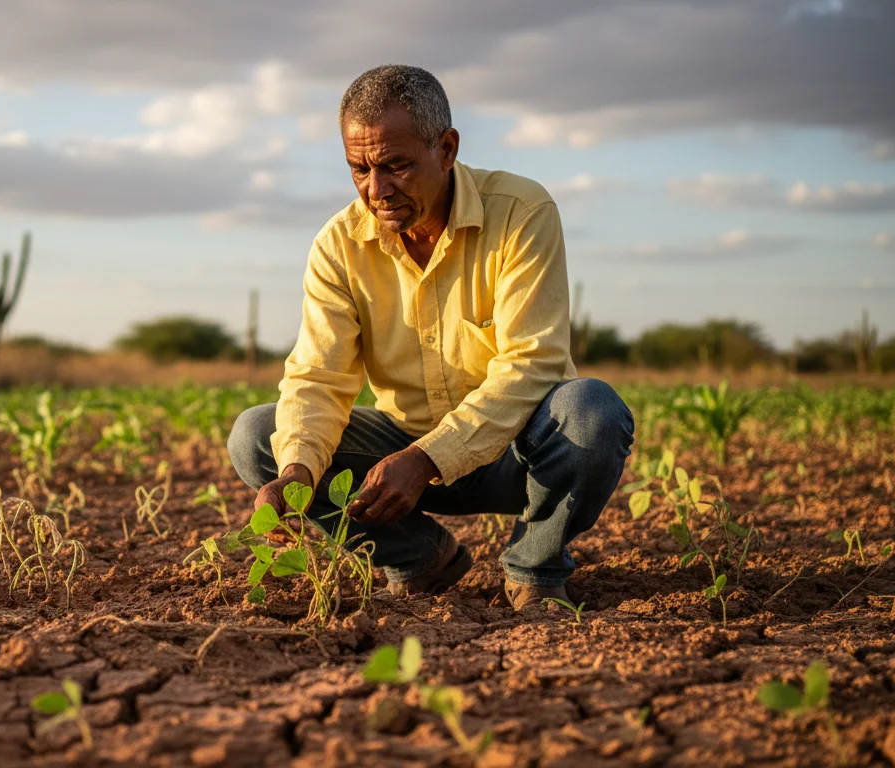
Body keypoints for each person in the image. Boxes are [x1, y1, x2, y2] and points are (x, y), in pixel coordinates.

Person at [227, 65, 634, 612]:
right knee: (259, 434)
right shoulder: (338, 245)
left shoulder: (520, 213)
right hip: (395, 458)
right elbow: (318, 376)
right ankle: (419, 557)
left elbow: (532, 365)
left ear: (446, 149)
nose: (377, 189)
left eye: (396, 165)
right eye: (359, 169)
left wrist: (426, 460)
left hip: (518, 453)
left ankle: (535, 568)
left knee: (591, 412)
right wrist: (297, 474)